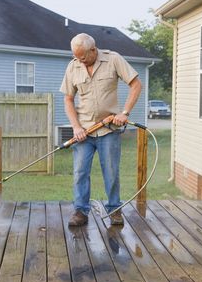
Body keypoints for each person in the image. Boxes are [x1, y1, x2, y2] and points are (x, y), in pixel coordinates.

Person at [60, 33, 142, 226]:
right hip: (84, 132)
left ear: (93, 50)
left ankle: (114, 210)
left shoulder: (113, 59)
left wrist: (125, 113)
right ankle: (80, 211)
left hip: (109, 129)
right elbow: (68, 99)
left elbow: (136, 84)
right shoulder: (73, 66)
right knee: (80, 172)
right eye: (76, 57)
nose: (80, 60)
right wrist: (76, 126)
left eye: (83, 57)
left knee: (111, 172)